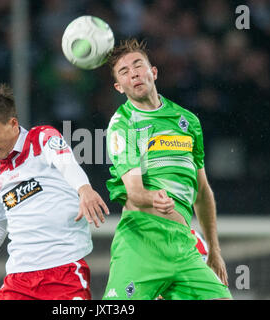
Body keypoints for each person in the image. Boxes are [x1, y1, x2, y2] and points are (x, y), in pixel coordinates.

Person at [0, 84, 109, 300]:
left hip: (63, 272)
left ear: (12, 124)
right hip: (18, 280)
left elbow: (66, 163)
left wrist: (84, 189)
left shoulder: (42, 138)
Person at [102, 39, 232, 300]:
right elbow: (135, 192)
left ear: (154, 72)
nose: (134, 73)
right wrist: (154, 197)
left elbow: (202, 192)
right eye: (124, 72)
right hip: (142, 239)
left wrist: (214, 250)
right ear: (119, 87)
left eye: (138, 65)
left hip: (182, 244)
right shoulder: (122, 124)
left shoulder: (188, 121)